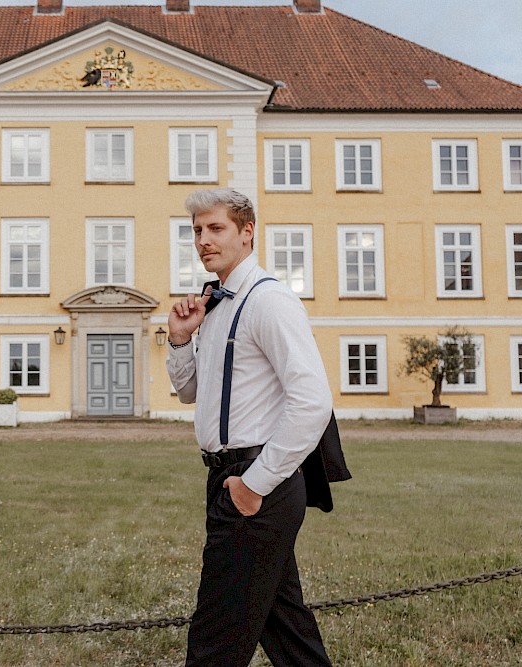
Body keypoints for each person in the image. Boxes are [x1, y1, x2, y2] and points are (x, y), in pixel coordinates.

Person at [166, 188, 334, 666]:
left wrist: (253, 485)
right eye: (196, 231)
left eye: (215, 228)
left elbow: (312, 401)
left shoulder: (270, 301)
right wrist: (181, 341)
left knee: (215, 640)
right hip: (229, 478)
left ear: (247, 232)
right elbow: (192, 391)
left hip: (257, 482)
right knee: (287, 632)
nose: (203, 240)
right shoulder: (215, 306)